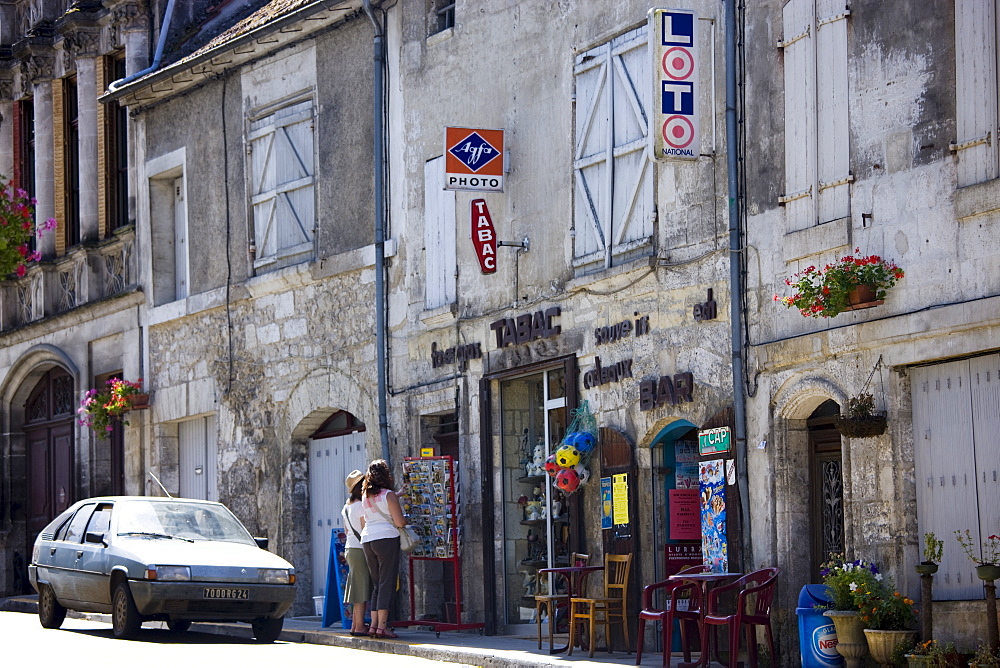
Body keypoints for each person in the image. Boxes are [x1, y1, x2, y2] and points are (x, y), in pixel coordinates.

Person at [359, 459, 407, 639]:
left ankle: (373, 626)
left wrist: (398, 494)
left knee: (377, 583)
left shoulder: (365, 495)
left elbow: (376, 509)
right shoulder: (388, 495)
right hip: (386, 538)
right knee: (387, 582)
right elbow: (399, 521)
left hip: (368, 540)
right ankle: (383, 627)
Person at [341, 470, 370, 637]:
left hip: (349, 548)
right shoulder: (360, 506)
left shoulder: (346, 507)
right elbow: (365, 529)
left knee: (355, 587)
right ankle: (359, 626)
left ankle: (354, 625)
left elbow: (346, 530)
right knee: (361, 589)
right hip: (360, 549)